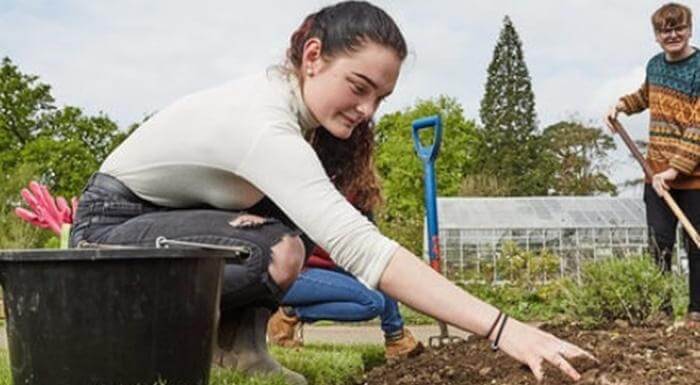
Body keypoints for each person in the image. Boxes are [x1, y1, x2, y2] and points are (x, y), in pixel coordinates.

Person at [70, 2, 592, 384]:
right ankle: (145, 348)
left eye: (380, 98)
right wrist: (505, 329)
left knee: (283, 228)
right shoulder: (265, 125)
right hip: (107, 234)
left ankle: (239, 350)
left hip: (163, 220)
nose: (368, 110)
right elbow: (365, 250)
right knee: (274, 250)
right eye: (359, 87)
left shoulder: (294, 119)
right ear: (314, 56)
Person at [605, 2, 699, 328]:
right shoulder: (655, 66)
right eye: (664, 30)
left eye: (678, 28)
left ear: (689, 28)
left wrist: (674, 170)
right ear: (656, 36)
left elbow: (698, 127)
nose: (672, 34)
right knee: (659, 244)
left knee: (695, 244)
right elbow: (647, 96)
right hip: (654, 174)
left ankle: (696, 313)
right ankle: (660, 310)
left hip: (693, 178)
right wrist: (621, 105)